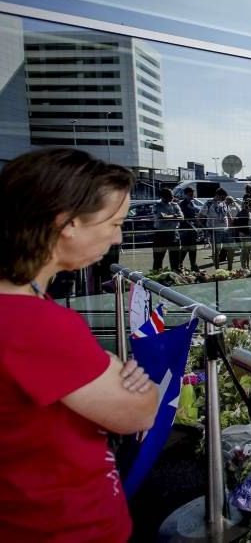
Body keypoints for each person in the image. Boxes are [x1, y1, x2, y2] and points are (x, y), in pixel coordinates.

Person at [0, 148, 158, 541]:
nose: (118, 237)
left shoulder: (28, 306)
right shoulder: (37, 325)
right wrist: (132, 381)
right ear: (67, 222)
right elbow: (138, 413)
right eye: (115, 222)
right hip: (64, 524)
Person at [198, 188, 233, 269]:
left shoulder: (224, 203)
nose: (224, 199)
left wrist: (231, 227)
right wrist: (205, 229)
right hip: (214, 231)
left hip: (226, 230)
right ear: (217, 195)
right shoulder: (209, 203)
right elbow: (200, 217)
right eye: (223, 197)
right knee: (216, 250)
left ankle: (230, 269)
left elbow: (229, 216)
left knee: (230, 249)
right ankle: (217, 270)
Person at [152, 187, 183, 272]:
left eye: (172, 195)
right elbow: (161, 217)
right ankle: (157, 275)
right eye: (170, 196)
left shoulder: (175, 205)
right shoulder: (157, 205)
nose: (172, 197)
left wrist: (167, 216)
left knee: (175, 258)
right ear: (163, 196)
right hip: (161, 234)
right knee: (158, 258)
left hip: (174, 234)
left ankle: (175, 274)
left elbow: (181, 218)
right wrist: (174, 216)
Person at [178, 186, 201, 271]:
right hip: (185, 229)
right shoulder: (182, 204)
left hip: (193, 229)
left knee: (193, 248)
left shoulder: (191, 203)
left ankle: (193, 265)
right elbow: (183, 217)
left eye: (192, 194)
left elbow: (194, 213)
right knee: (185, 247)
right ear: (185, 195)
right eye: (190, 194)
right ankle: (179, 264)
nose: (192, 196)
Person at [233, 198, 251, 269]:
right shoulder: (242, 213)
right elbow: (237, 224)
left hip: (250, 234)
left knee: (249, 251)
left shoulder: (248, 213)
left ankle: (247, 265)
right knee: (244, 251)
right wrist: (246, 231)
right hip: (245, 234)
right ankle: (244, 267)